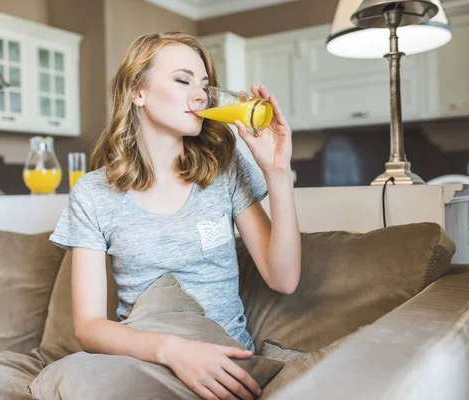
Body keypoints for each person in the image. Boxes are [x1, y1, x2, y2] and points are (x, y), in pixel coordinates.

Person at [49, 31, 301, 400]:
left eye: (204, 84)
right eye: (182, 80)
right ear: (138, 91)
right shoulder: (92, 193)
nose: (199, 95)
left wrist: (278, 173)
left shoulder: (224, 169)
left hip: (225, 365)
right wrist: (174, 351)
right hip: (145, 362)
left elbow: (284, 278)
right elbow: (88, 327)